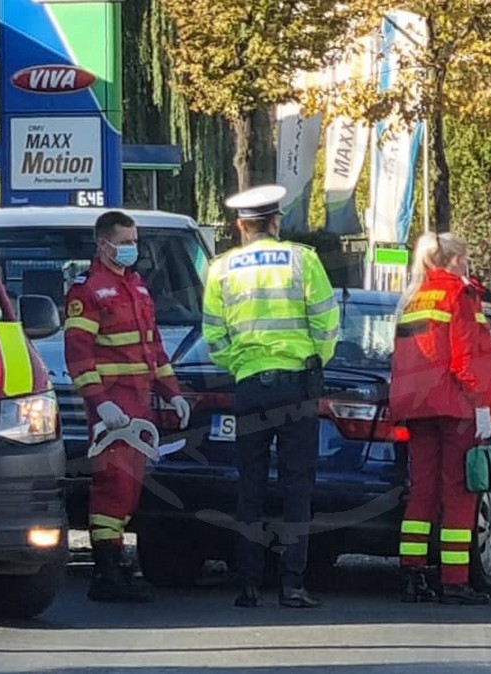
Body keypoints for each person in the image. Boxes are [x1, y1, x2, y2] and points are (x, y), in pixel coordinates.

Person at [202, 184, 339, 609]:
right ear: (275, 222)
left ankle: (247, 584)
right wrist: (315, 359)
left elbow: (214, 335)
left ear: (241, 225)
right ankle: (292, 584)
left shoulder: (221, 269)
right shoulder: (303, 260)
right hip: (296, 386)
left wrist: (241, 366)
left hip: (248, 388)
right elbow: (326, 323)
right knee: (297, 486)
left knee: (251, 488)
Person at [64, 210, 191, 603]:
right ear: (102, 244)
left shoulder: (137, 287)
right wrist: (99, 403)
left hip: (139, 403)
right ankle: (107, 572)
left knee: (130, 488)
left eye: (134, 240)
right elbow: (78, 355)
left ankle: (116, 565)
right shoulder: (88, 291)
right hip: (114, 405)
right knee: (113, 487)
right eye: (124, 241)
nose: (131, 248)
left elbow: (154, 348)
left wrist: (173, 391)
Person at [390, 232, 491, 605]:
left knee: (422, 491)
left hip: (417, 406)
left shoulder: (411, 298)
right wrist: (483, 404)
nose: (468, 263)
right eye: (465, 256)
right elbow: (465, 357)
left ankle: (413, 573)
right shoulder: (459, 294)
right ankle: (454, 580)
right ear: (453, 259)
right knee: (460, 492)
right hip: (455, 405)